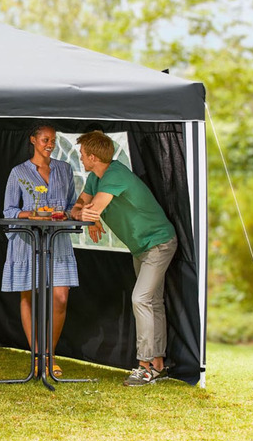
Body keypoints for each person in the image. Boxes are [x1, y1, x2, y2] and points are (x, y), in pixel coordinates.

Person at [70, 130, 177, 386]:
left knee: (141, 299)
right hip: (141, 246)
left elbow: (89, 210)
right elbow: (78, 207)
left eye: (83, 154)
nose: (81, 159)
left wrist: (91, 215)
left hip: (159, 243)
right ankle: (158, 363)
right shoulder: (95, 178)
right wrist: (88, 214)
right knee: (153, 301)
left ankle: (144, 366)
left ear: (93, 157)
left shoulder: (115, 175)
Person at [1, 124, 78, 377]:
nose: (50, 144)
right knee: (29, 296)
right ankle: (37, 357)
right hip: (28, 241)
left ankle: (49, 355)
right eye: (45, 139)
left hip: (58, 241)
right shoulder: (18, 173)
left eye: (53, 140)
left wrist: (63, 214)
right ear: (33, 139)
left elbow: (70, 207)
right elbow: (10, 211)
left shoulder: (65, 170)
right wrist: (33, 214)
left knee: (60, 297)